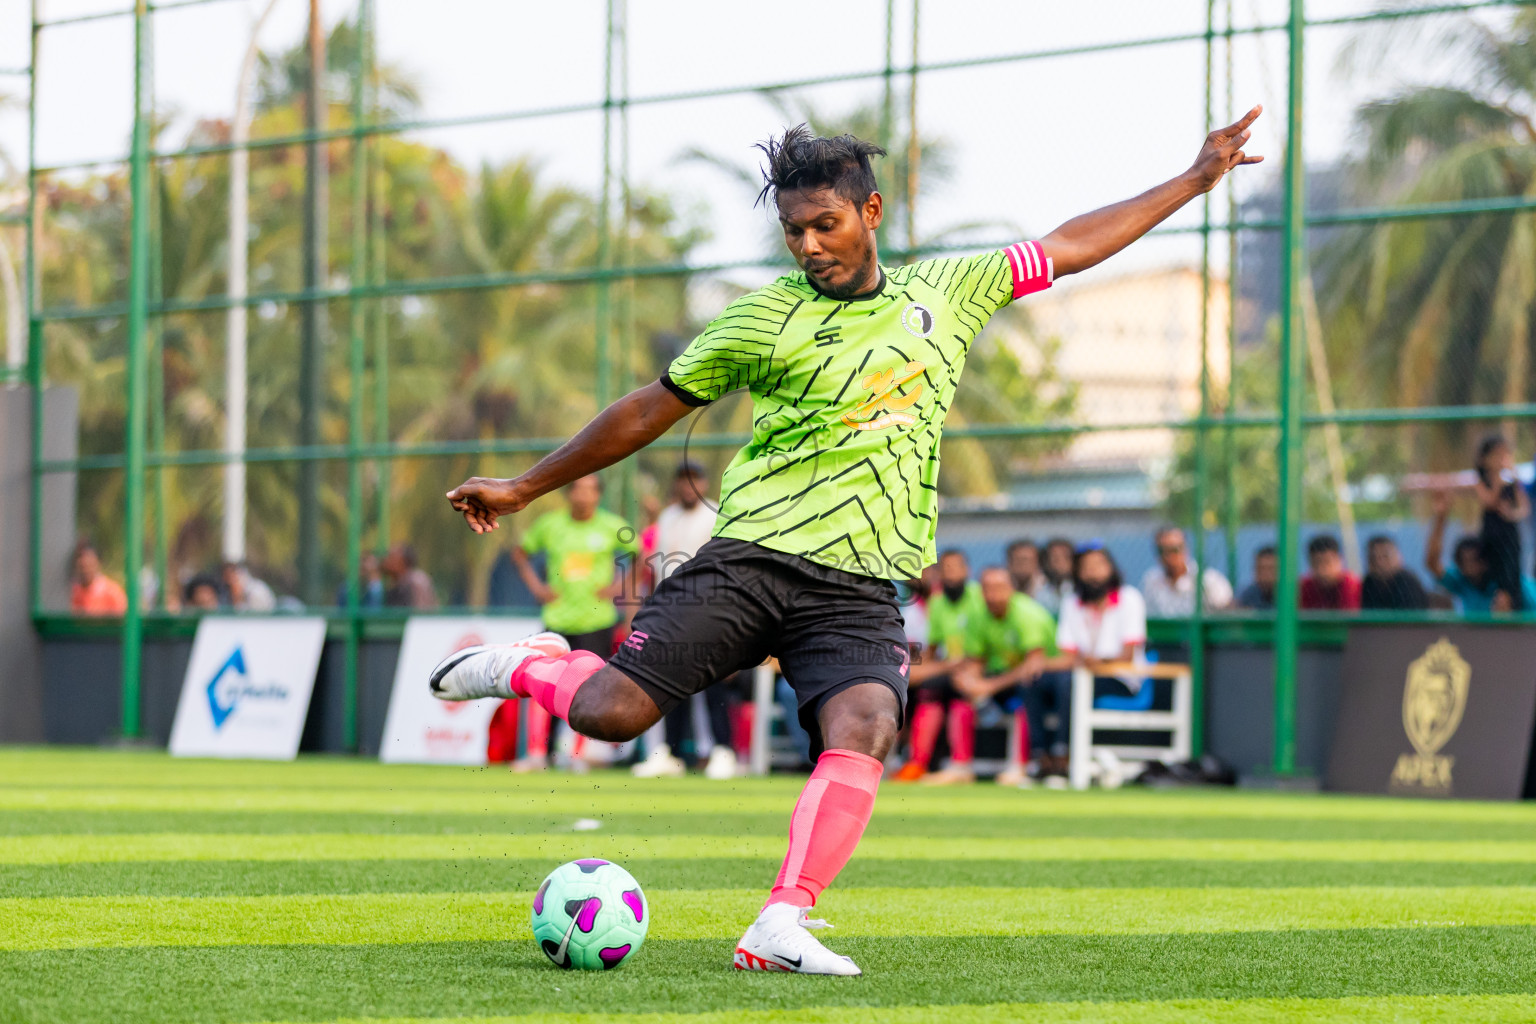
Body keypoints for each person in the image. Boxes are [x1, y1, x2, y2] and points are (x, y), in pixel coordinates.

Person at [431, 112, 1265, 975]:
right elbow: (648, 408)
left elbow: (1072, 244)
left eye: (824, 224)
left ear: (870, 213)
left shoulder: (951, 288)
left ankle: (781, 921)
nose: (808, 245)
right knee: (610, 715)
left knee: (867, 724)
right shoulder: (758, 322)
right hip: (752, 558)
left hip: (861, 584)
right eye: (794, 231)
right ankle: (530, 664)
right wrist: (525, 486)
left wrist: (1193, 180)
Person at [511, 473, 638, 773]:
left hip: (597, 620)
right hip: (557, 619)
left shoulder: (612, 525)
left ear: (598, 495)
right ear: (569, 494)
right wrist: (537, 588)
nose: (583, 496)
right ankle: (535, 753)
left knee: (588, 689)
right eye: (578, 489)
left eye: (590, 490)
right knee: (541, 684)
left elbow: (639, 554)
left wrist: (620, 586)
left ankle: (575, 755)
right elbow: (520, 552)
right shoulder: (550, 525)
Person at [633, 461, 723, 780]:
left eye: (694, 480)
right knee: (671, 683)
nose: (688, 487)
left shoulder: (716, 515)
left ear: (705, 483)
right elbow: (657, 568)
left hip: (708, 611)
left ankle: (720, 753)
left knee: (712, 685)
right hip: (669, 614)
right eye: (682, 481)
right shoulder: (667, 518)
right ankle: (670, 753)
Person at [952, 566, 1058, 787]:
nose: (992, 595)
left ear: (1012, 589)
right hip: (1002, 679)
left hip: (1043, 681)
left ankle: (1020, 766)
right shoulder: (978, 615)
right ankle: (960, 766)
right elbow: (974, 661)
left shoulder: (1028, 614)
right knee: (958, 697)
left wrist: (988, 686)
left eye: (999, 588)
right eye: (987, 589)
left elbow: (1033, 664)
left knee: (1027, 694)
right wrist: (969, 682)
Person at [896, 548, 985, 784]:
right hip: (947, 671)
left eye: (923, 570)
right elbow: (924, 654)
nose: (918, 576)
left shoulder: (978, 599)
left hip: (978, 670)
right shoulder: (919, 609)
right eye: (911, 572)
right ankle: (914, 763)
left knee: (956, 689)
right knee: (922, 689)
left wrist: (964, 668)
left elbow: (983, 647)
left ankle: (960, 765)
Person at [1425, 488, 1536, 613]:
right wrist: (1440, 518)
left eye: (1477, 559)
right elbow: (1432, 563)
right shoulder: (1463, 583)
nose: (1473, 566)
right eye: (1466, 561)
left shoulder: (1513, 583)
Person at [1057, 543, 1148, 696]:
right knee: (1036, 682)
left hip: (1119, 679)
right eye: (1086, 567)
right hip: (1080, 673)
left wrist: (1095, 662)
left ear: (1111, 568)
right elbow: (1068, 656)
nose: (1093, 572)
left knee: (1072, 685)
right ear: (1077, 573)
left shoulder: (1130, 598)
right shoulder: (1070, 602)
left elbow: (1127, 657)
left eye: (1098, 565)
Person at [1474, 434, 1528, 611]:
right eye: (1496, 455)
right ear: (1484, 459)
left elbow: (1524, 508)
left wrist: (1511, 513)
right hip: (1492, 540)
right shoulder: (1483, 482)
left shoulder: (1512, 483)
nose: (1501, 459)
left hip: (1509, 540)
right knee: (1494, 581)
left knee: (1511, 580)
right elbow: (1490, 502)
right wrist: (1498, 475)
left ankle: (1512, 609)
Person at [1138, 526, 1233, 616]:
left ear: (1185, 549)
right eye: (1162, 551)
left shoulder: (1208, 580)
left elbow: (1227, 612)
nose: (1168, 556)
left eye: (1174, 550)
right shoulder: (1150, 581)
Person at [1360, 535, 1429, 611]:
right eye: (1373, 558)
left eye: (1385, 556)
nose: (1379, 563)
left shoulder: (1408, 583)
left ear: (1399, 557)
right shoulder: (1369, 583)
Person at [1300, 534, 1361, 611]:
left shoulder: (1351, 584)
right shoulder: (1305, 587)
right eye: (1316, 563)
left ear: (1340, 560)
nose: (1322, 570)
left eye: (1327, 562)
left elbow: (1349, 619)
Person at [69, 541, 128, 616]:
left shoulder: (112, 593)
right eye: (82, 567)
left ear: (97, 563)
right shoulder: (75, 593)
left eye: (89, 565)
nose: (85, 571)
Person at [383, 543, 438, 610]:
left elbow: (422, 613)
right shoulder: (396, 584)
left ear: (403, 561)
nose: (386, 560)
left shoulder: (417, 582)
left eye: (391, 557)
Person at [1036, 537, 1076, 615]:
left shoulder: (1080, 591)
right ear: (1046, 562)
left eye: (1065, 558)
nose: (1060, 563)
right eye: (1055, 558)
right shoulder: (1039, 590)